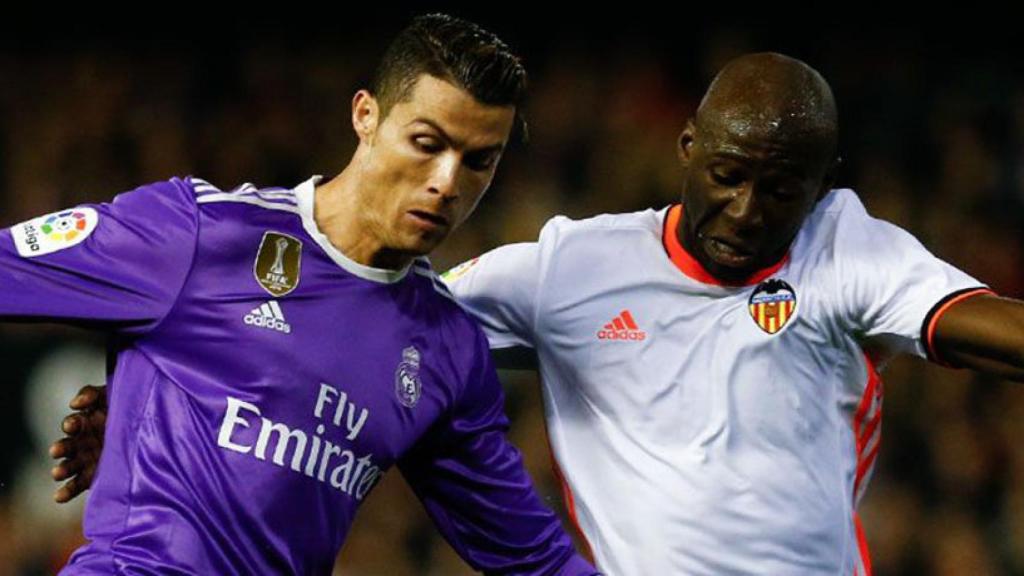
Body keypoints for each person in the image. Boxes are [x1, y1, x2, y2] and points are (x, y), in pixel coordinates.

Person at [54, 53, 1024, 574]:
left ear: (823, 183)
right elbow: (361, 333)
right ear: (685, 148)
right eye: (726, 176)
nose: (747, 210)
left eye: (781, 190)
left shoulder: (845, 246)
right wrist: (163, 398)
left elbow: (987, 330)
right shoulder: (572, 267)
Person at [5, 13, 597, 576]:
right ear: (366, 115)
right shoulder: (202, 235)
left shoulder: (447, 348)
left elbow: (533, 557)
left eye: (478, 161)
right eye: (426, 143)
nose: (446, 182)